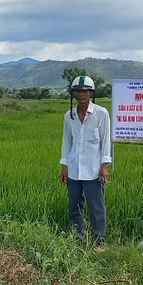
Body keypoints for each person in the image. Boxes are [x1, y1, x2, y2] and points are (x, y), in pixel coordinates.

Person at [59, 75, 112, 247]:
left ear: (91, 93)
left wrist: (104, 166)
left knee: (97, 208)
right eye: (77, 91)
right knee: (74, 206)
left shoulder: (101, 114)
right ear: (73, 93)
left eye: (85, 91)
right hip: (74, 169)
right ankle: (78, 237)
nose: (81, 94)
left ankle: (99, 241)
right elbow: (66, 141)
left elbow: (105, 141)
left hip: (93, 169)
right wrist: (64, 166)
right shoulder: (69, 116)